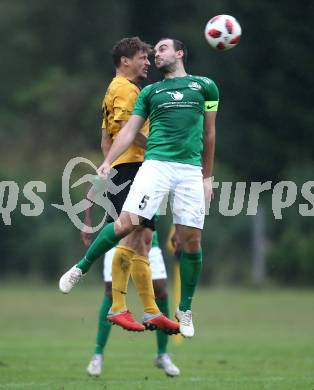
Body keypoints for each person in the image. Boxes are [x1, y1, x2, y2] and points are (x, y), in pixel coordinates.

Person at [59, 38, 219, 338]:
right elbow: (129, 131)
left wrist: (207, 178)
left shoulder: (205, 87)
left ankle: (184, 309)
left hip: (189, 170)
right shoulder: (149, 92)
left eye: (161, 49)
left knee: (191, 242)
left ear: (180, 53)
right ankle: (81, 268)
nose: (154, 56)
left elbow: (210, 133)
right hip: (154, 166)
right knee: (127, 224)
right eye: (150, 52)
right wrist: (107, 161)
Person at [82, 225, 180, 377]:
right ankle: (97, 355)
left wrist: (178, 229)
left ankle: (162, 354)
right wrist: (87, 222)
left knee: (161, 292)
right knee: (111, 293)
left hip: (149, 243)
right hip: (119, 242)